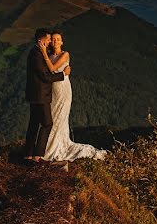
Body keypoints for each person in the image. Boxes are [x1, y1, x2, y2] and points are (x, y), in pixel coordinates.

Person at [39, 30, 107, 162]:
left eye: (58, 39)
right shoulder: (50, 55)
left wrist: (43, 53)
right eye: (53, 39)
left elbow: (52, 69)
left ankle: (54, 148)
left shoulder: (65, 54)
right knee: (52, 117)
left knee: (59, 118)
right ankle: (47, 147)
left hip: (63, 90)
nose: (55, 41)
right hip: (53, 91)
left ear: (62, 42)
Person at [24, 28, 70, 164]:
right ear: (41, 40)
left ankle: (28, 155)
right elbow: (45, 76)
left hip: (38, 94)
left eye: (54, 39)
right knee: (47, 123)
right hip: (40, 94)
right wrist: (63, 74)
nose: (51, 41)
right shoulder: (37, 54)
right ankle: (37, 155)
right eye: (49, 39)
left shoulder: (39, 52)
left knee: (34, 124)